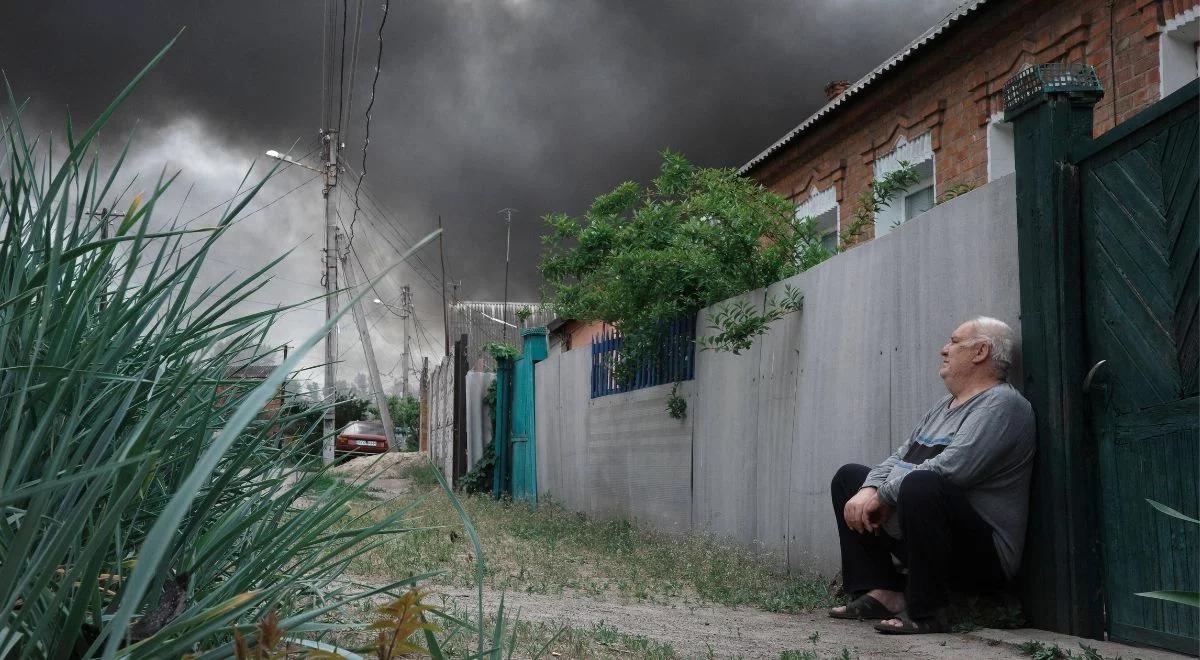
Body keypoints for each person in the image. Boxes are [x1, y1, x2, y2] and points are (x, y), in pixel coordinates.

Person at [827, 316, 1035, 634]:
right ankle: (884, 592)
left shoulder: (1003, 406)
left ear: (980, 352)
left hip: (982, 557)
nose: (943, 350)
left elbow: (952, 470)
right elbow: (900, 457)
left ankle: (928, 611)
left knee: (923, 483)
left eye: (953, 341)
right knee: (849, 478)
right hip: (924, 537)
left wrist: (883, 495)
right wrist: (870, 488)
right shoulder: (943, 406)